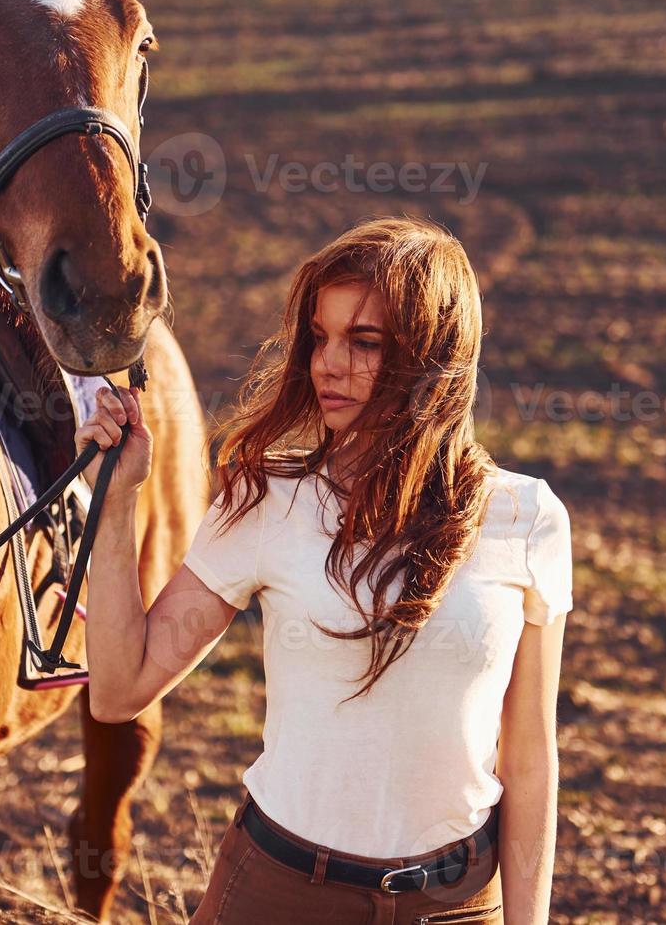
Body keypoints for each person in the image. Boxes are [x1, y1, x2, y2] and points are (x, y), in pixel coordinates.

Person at [76, 215, 571, 924]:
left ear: (433, 356)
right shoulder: (265, 500)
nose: (328, 364)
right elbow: (120, 690)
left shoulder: (528, 519)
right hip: (278, 895)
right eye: (319, 337)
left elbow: (528, 760)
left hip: (455, 905)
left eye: (364, 342)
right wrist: (117, 505)